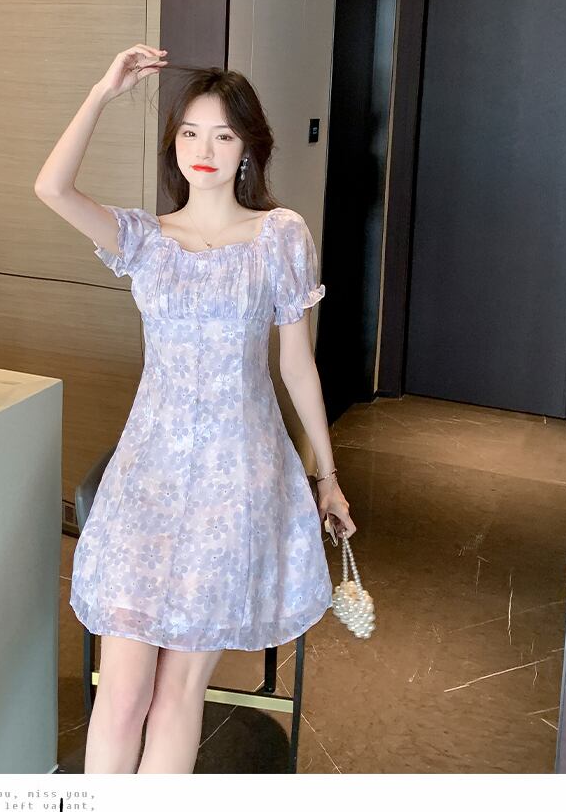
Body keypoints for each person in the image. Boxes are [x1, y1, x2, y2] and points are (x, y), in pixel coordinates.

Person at [35, 44, 357, 774]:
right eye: (188, 133)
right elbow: (52, 187)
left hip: (234, 487)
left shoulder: (280, 236)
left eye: (222, 135)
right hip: (146, 483)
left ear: (248, 149)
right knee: (121, 694)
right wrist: (102, 90)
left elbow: (296, 365)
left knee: (179, 694)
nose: (202, 151)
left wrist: (328, 476)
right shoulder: (144, 239)